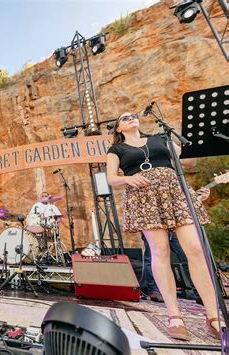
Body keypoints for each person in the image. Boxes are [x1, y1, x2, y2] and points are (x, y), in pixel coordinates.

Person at [106, 112, 224, 340]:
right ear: (118, 129)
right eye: (125, 117)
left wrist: (189, 138)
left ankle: (213, 316)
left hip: (174, 192)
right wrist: (128, 179)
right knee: (160, 251)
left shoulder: (161, 139)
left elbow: (189, 162)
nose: (132, 117)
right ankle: (174, 316)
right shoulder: (116, 150)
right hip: (144, 197)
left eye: (133, 115)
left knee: (196, 249)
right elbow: (111, 178)